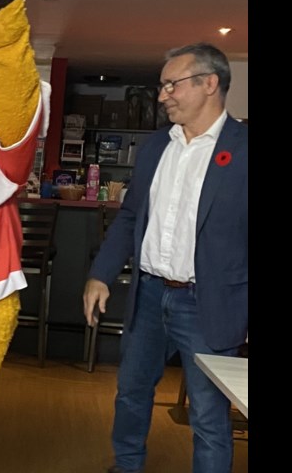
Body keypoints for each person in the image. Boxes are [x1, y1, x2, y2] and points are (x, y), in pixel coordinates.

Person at [83, 42, 248, 473]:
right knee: (131, 394)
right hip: (150, 295)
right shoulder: (157, 147)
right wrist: (100, 273)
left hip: (208, 304)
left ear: (209, 84)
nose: (162, 96)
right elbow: (132, 214)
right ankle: (126, 466)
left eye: (171, 84)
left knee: (210, 417)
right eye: (162, 86)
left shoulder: (244, 148)